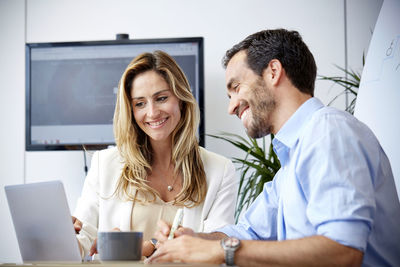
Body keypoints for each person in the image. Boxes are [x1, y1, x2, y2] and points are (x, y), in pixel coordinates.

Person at [146, 29, 400, 266]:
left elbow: (343, 250)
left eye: (236, 88)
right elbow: (250, 231)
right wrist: (198, 240)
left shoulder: (329, 132)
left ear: (273, 72)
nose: (231, 107)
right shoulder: (292, 159)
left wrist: (223, 250)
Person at [72, 50, 238, 258]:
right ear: (130, 111)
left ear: (181, 98)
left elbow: (217, 248)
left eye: (161, 98)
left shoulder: (219, 170)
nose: (152, 113)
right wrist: (65, 237)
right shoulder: (104, 164)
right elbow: (80, 244)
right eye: (140, 103)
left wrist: (149, 247)